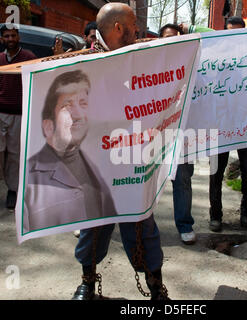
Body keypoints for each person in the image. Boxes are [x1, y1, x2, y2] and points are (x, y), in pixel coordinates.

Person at [72, 2, 168, 300]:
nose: (137, 31)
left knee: (141, 224)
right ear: (117, 28)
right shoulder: (81, 61)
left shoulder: (139, 56)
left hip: (133, 157)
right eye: (133, 26)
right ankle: (87, 282)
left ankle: (156, 287)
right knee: (93, 226)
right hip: (96, 160)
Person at [23, 70, 117, 232]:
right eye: (68, 105)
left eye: (83, 103)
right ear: (48, 124)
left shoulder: (95, 166)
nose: (79, 114)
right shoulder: (31, 178)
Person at [208, 16, 247, 232]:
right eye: (231, 32)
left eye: (239, 32)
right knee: (216, 172)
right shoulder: (213, 59)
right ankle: (215, 216)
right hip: (220, 125)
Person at [158, 24, 196, 245]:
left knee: (182, 178)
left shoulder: (191, 62)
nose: (171, 41)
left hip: (181, 132)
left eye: (175, 37)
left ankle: (185, 225)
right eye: (166, 37)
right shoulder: (150, 61)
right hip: (153, 133)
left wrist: (192, 27)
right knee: (142, 179)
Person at [0, 25, 36, 210]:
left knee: (15, 155)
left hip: (19, 115)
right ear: (2, 39)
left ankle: (13, 190)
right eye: (7, 36)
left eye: (13, 35)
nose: (11, 38)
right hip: (0, 114)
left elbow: (38, 80)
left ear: (18, 37)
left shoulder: (29, 58)